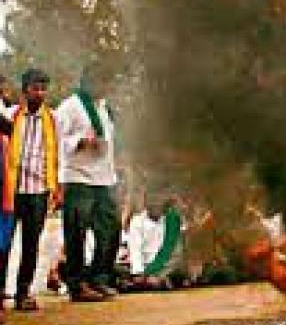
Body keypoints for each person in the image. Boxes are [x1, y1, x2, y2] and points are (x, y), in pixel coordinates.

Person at [56, 63, 121, 301]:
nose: (106, 88)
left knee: (111, 231)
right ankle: (76, 285)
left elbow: (110, 142)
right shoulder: (69, 107)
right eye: (103, 83)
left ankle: (99, 278)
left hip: (104, 179)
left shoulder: (104, 107)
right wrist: (81, 142)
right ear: (88, 82)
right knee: (77, 234)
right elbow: (57, 141)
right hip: (77, 178)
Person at [0, 69, 59, 315]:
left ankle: (24, 293)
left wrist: (57, 187)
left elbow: (58, 153)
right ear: (25, 90)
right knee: (4, 244)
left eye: (44, 88)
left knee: (31, 245)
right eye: (35, 88)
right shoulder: (10, 115)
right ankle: (1, 292)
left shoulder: (53, 118)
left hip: (38, 191)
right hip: (11, 190)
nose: (40, 93)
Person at [124, 194, 187, 291]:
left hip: (166, 268)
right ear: (146, 204)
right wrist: (139, 273)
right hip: (144, 268)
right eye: (152, 202)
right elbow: (135, 250)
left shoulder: (173, 220)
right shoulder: (137, 221)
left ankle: (159, 280)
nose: (156, 205)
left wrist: (160, 274)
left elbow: (176, 253)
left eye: (159, 203)